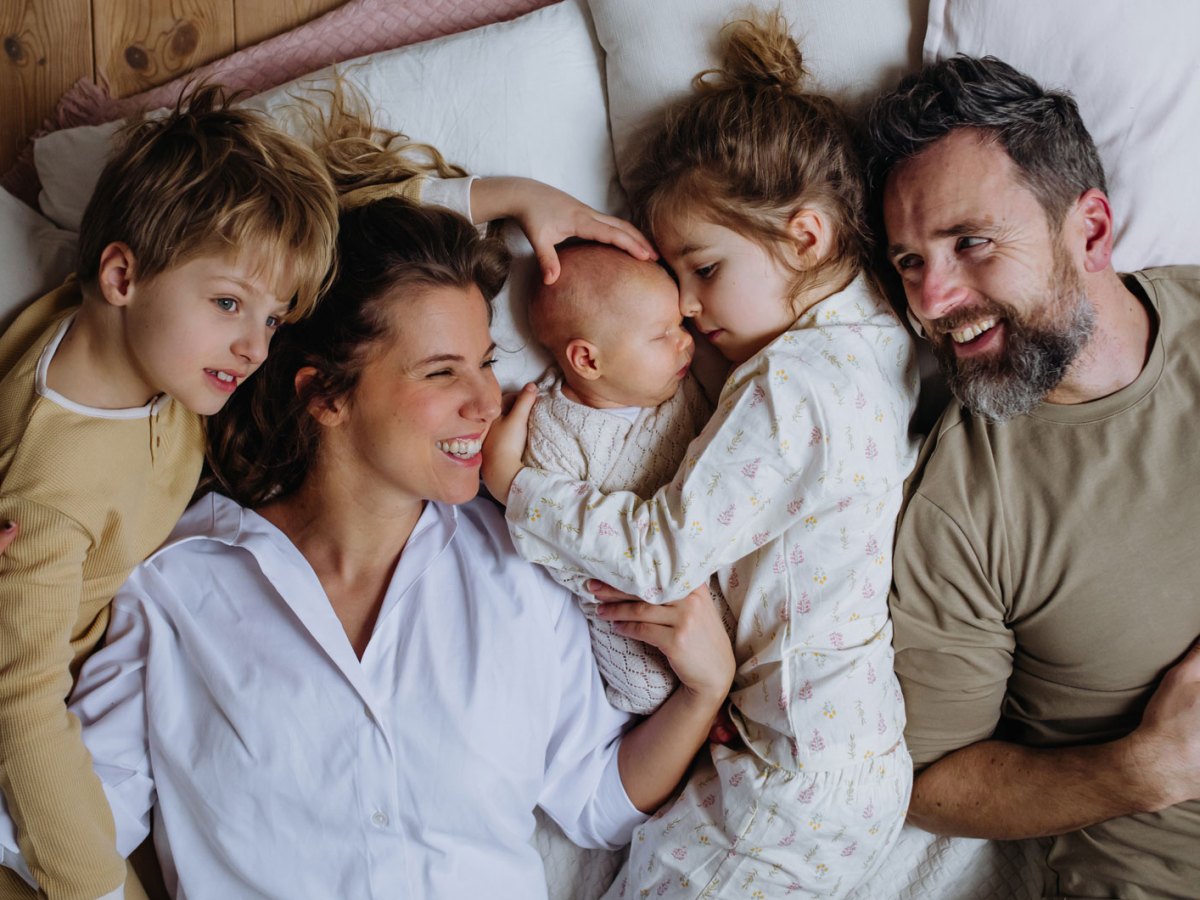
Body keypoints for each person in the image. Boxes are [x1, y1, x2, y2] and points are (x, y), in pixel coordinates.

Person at [0, 189, 734, 897]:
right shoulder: (175, 585)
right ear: (326, 395)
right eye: (442, 371)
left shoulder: (519, 564)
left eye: (484, 363)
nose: (486, 402)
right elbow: (54, 826)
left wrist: (703, 691)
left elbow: (598, 799)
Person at [483, 12, 919, 898]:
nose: (683, 306)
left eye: (704, 269)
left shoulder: (793, 387)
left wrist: (520, 488)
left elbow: (661, 552)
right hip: (839, 758)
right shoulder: (877, 333)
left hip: (796, 778)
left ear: (806, 236)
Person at [866, 55, 1200, 897]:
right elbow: (934, 783)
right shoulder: (961, 501)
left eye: (969, 243)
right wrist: (1145, 770)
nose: (932, 300)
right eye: (910, 262)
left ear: (1088, 231)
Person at [0, 84, 340, 900]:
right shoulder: (53, 495)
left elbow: (322, 224)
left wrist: (495, 195)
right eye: (228, 304)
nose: (253, 345)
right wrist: (96, 889)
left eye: (272, 318)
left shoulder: (142, 344)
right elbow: (20, 700)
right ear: (121, 273)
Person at [523, 241, 734, 715]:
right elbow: (556, 540)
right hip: (631, 606)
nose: (686, 341)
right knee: (651, 687)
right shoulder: (553, 429)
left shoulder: (683, 389)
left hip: (706, 568)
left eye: (680, 325)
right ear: (588, 361)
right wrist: (627, 578)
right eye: (663, 334)